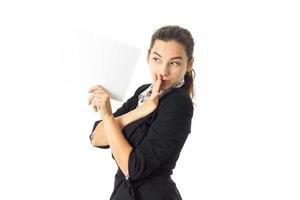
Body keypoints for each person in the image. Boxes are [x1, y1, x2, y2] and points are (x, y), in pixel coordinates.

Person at [88, 25, 196, 200]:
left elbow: (133, 169)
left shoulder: (179, 103)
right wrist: (140, 111)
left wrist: (107, 115)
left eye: (174, 63)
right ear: (148, 57)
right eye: (157, 59)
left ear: (189, 64)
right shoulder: (144, 92)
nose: (163, 71)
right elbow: (96, 138)